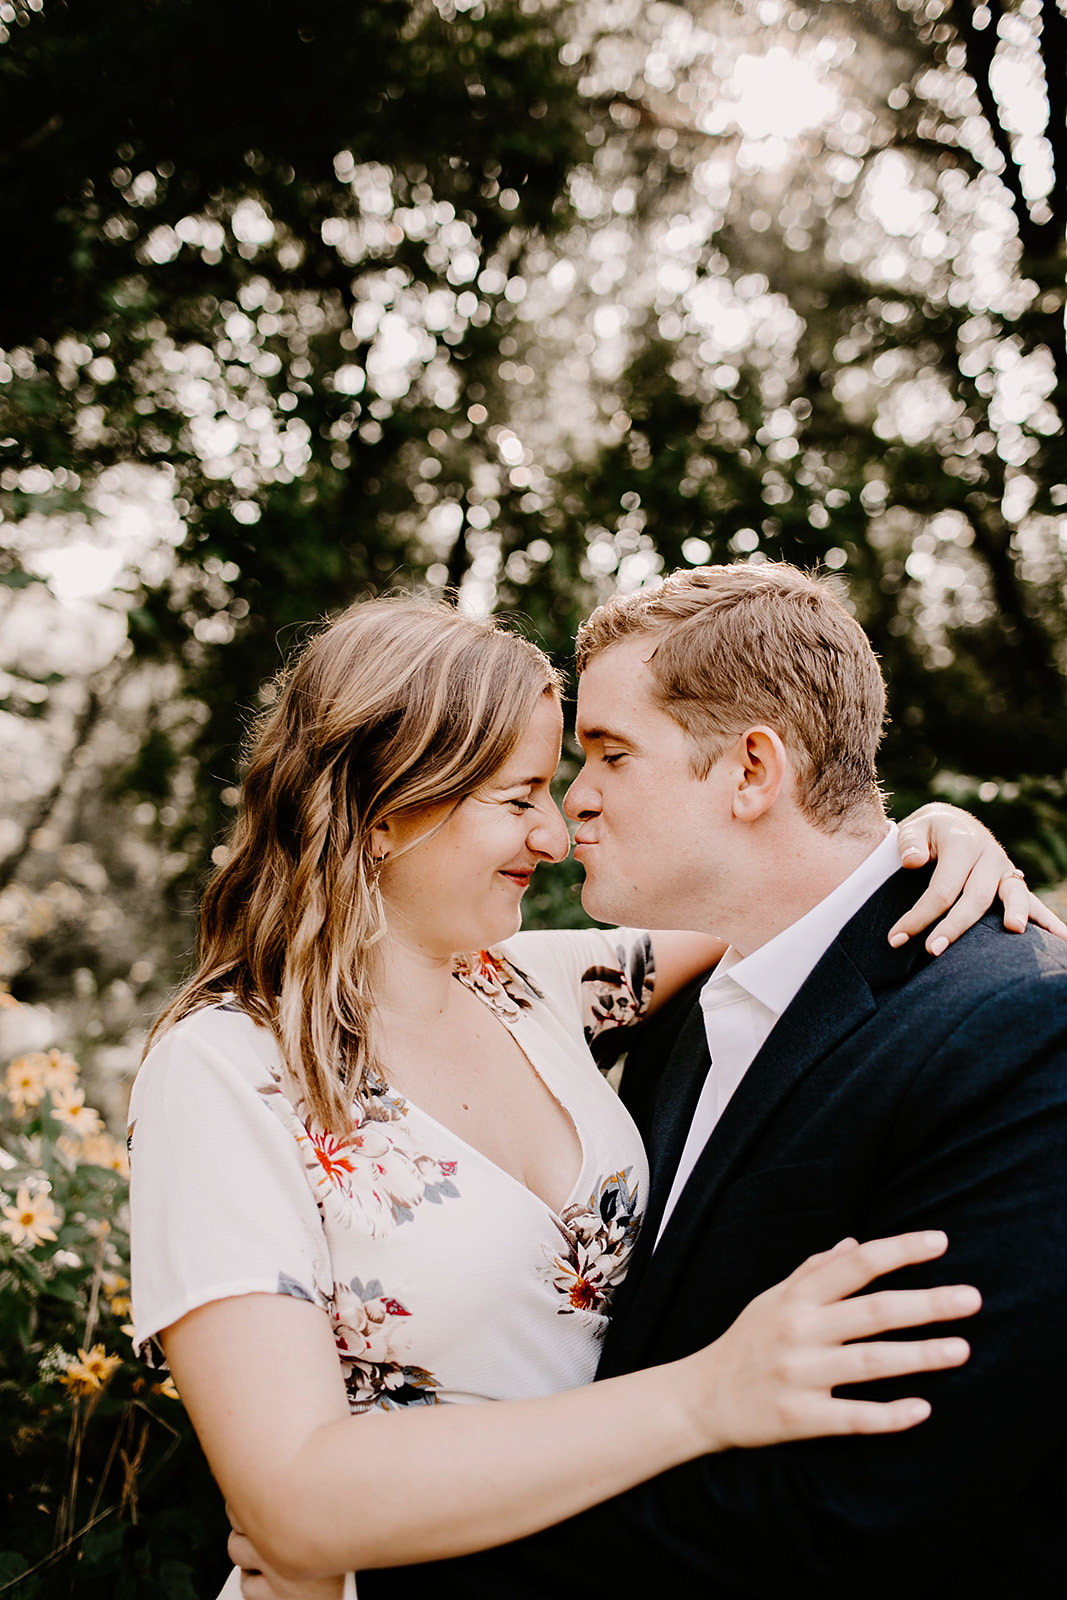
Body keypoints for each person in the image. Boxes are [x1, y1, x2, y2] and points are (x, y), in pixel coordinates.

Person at [128, 596, 1044, 1600]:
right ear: (388, 808)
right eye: (520, 795)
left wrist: (933, 836)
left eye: (588, 767)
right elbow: (292, 1503)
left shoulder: (537, 985)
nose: (557, 832)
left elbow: (801, 895)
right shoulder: (221, 1068)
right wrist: (704, 1395)